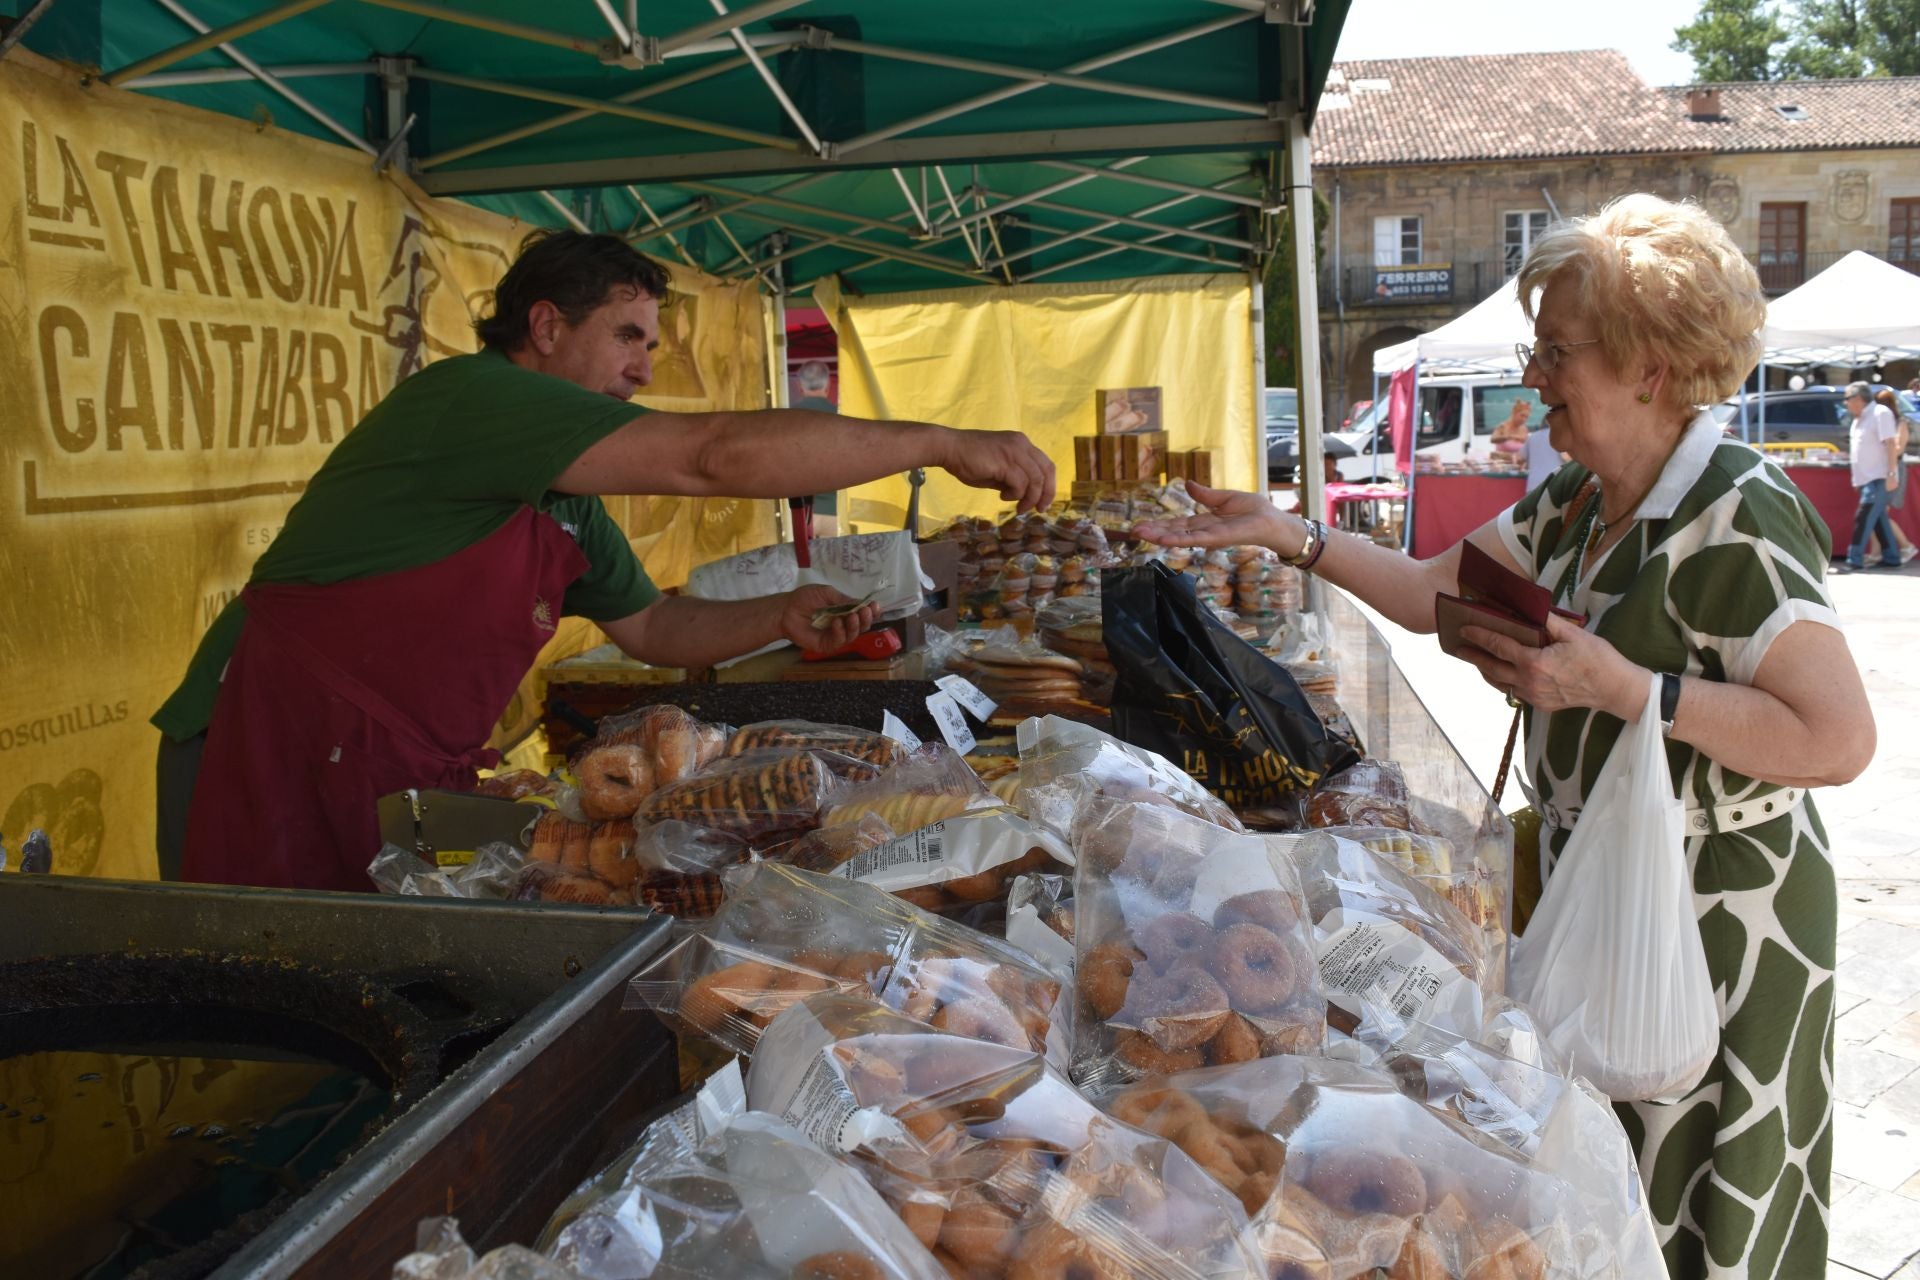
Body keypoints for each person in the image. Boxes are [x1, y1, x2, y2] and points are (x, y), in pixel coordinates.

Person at [1135, 194, 1871, 1278]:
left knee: (1704, 1181)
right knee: (1604, 1177)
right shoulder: (1579, 501)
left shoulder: (1739, 507)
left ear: (1647, 367)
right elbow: (1436, 591)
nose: (1535, 373)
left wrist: (1626, 688)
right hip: (1599, 880)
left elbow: (1837, 737)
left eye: (1557, 350)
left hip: (1719, 910)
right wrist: (1289, 533)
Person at [153, 231, 1054, 893]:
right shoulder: (475, 400)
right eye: (628, 335)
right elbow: (710, 456)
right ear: (545, 326)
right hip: (270, 744)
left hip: (407, 776)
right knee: (262, 1032)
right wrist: (935, 440)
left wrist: (775, 620)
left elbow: (655, 627)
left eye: (652, 344)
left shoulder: (564, 494)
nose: (644, 365)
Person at [1843, 380, 1901, 571]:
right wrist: (1856, 479)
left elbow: (1891, 444)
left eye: (1847, 399)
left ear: (1858, 398)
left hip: (1880, 477)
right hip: (1866, 478)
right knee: (1878, 520)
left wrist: (1892, 474)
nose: (1845, 403)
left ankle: (1854, 559)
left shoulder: (1880, 413)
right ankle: (1892, 557)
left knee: (1864, 517)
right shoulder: (1859, 419)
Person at [1870, 387, 1916, 563]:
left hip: (1893, 469)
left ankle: (1906, 545)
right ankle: (1876, 552)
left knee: (1879, 511)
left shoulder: (1900, 423)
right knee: (1875, 511)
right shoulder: (1878, 422)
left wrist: (1882, 446)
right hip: (1879, 468)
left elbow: (1898, 448)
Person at [1524, 416, 1570, 489]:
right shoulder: (1560, 435)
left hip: (1533, 484)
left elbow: (1521, 458)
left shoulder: (1532, 436)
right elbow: (1566, 458)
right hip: (1554, 483)